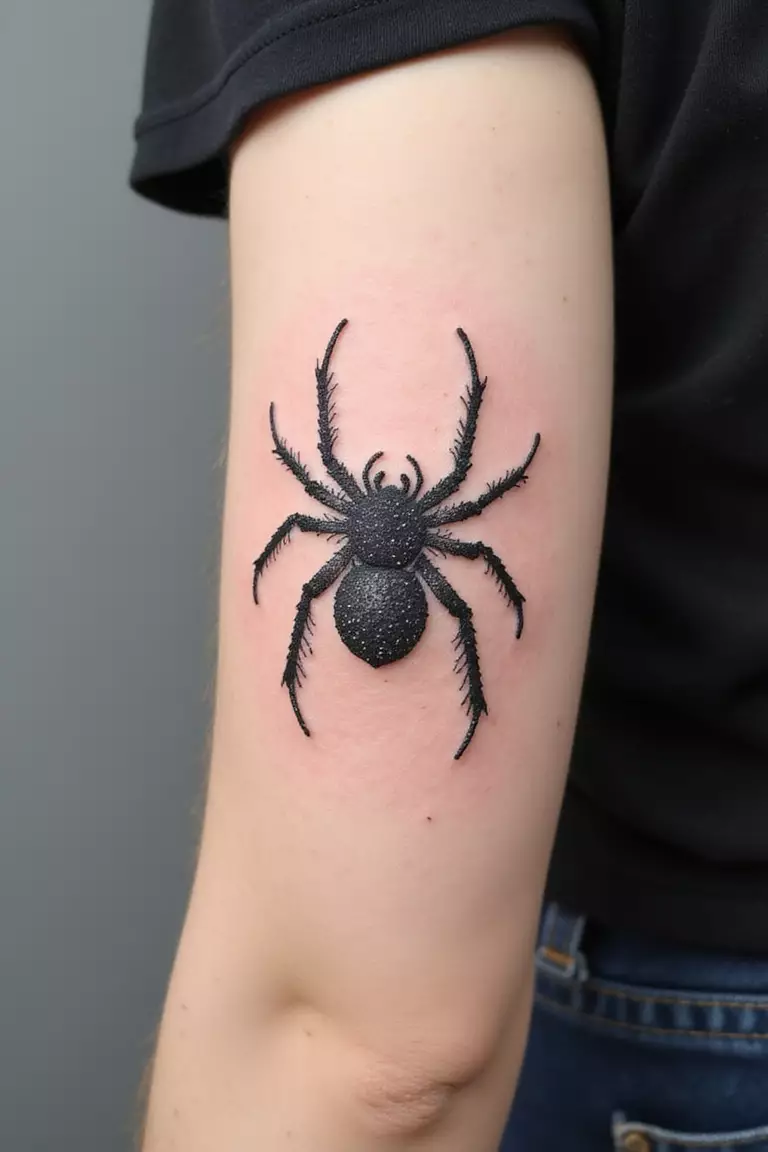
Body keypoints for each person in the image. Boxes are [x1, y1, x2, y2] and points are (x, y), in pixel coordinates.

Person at [130, 2, 768, 1148]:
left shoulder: (353, 526)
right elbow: (458, 522)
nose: (371, 480)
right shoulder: (428, 531)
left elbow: (374, 1044)